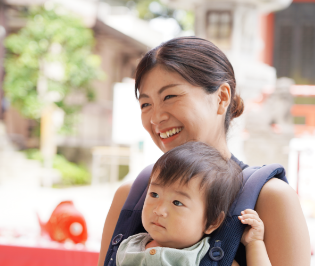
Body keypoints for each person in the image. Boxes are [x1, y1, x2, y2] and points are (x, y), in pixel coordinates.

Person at [98, 37, 311, 266]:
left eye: (170, 96)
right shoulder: (132, 194)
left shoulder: (270, 198)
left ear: (222, 98)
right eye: (145, 104)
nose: (156, 117)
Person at [116, 141, 271, 266]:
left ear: (213, 222)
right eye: (154, 194)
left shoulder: (208, 258)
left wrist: (254, 243)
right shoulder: (129, 245)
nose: (159, 210)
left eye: (177, 202)